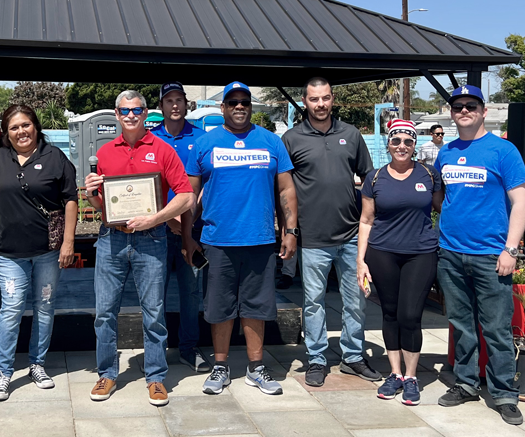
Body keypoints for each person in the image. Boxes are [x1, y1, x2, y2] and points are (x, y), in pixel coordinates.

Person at [183, 82, 298, 396]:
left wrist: (290, 232)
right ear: (223, 107)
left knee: (256, 308)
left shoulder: (271, 142)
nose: (239, 106)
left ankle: (256, 368)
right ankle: (220, 368)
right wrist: (186, 236)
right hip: (217, 241)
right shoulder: (205, 144)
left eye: (244, 102)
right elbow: (189, 196)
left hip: (260, 240)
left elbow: (287, 191)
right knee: (219, 308)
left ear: (251, 106)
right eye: (232, 102)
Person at [84, 90, 195, 407]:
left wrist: (155, 218)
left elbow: (186, 195)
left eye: (136, 110)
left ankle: (156, 377)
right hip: (111, 238)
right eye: (124, 110)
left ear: (146, 114)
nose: (130, 115)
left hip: (152, 238)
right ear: (116, 115)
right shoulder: (104, 153)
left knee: (154, 313)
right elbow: (101, 205)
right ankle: (107, 373)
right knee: (105, 312)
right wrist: (92, 194)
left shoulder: (161, 150)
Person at [434, 85, 525, 426]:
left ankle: (504, 393)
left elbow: (521, 202)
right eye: (458, 106)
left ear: (483, 110)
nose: (464, 110)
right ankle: (466, 383)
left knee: (497, 329)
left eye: (471, 105)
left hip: (492, 255)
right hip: (450, 253)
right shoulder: (445, 152)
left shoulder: (503, 151)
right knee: (462, 325)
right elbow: (443, 198)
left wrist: (510, 249)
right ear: (452, 112)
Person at [281, 77, 380, 387]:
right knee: (313, 302)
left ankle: (352, 356)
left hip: (352, 236)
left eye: (325, 98)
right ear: (305, 101)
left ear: (333, 98)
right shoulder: (291, 138)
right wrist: (290, 230)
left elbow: (370, 178)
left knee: (356, 300)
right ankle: (317, 359)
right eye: (314, 99)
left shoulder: (350, 135)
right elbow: (283, 190)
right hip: (312, 239)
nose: (320, 104)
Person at [0, 105, 78, 401]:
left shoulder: (55, 158)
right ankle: (3, 372)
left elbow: (70, 200)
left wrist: (68, 242)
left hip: (47, 252)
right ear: (6, 132)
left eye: (26, 125)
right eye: (14, 127)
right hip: (9, 252)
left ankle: (37, 364)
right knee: (12, 308)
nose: (21, 131)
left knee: (44, 307)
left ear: (36, 127)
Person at [357, 119, 443, 405]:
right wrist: (361, 260)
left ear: (415, 145)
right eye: (396, 141)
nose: (402, 146)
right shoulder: (376, 177)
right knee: (390, 314)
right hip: (382, 253)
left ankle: (411, 376)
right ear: (388, 144)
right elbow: (366, 220)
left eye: (408, 141)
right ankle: (394, 374)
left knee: (410, 315)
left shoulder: (429, 175)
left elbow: (443, 209)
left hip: (421, 253)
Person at [150, 81, 209, 373]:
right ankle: (157, 352)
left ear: (187, 104)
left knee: (190, 293)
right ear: (160, 105)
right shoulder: (150, 140)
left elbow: (201, 187)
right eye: (169, 100)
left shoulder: (200, 138)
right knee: (155, 295)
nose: (175, 105)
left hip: (191, 231)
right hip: (158, 230)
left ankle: (188, 348)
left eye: (179, 100)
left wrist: (185, 222)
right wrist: (168, 219)